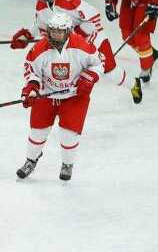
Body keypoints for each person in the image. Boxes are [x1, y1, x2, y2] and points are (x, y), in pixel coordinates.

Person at [10, 0, 142, 104]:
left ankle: (133, 84)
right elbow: (41, 26)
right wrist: (26, 36)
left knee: (111, 73)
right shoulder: (41, 6)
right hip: (72, 45)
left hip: (94, 39)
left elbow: (94, 16)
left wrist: (79, 34)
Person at [16, 13, 103, 181]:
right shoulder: (40, 48)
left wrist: (90, 77)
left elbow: (99, 62)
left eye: (59, 31)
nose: (54, 34)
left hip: (74, 96)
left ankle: (67, 163)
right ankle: (31, 160)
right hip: (47, 94)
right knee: (37, 132)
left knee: (68, 134)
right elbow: (31, 69)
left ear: (68, 31)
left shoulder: (81, 46)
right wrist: (32, 88)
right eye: (52, 31)